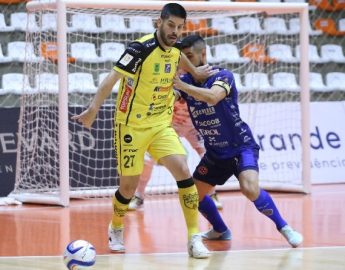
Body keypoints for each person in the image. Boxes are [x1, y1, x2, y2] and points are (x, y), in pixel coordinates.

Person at [72, 3, 214, 258]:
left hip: (161, 124)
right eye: (171, 25)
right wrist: (93, 109)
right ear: (160, 22)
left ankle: (194, 237)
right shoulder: (140, 49)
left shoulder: (175, 50)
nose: (175, 32)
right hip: (131, 126)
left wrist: (193, 71)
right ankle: (116, 226)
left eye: (180, 28)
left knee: (183, 170)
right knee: (128, 188)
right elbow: (110, 79)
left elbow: (179, 56)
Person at [173, 34, 303, 247]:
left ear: (202, 54)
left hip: (240, 146)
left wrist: (183, 87)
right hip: (215, 152)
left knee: (249, 188)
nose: (186, 63)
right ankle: (220, 230)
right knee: (191, 196)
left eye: (189, 56)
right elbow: (174, 94)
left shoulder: (223, 76)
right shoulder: (185, 81)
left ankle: (284, 227)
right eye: (182, 59)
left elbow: (213, 97)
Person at [128, 98, 223, 211]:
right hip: (170, 125)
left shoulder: (197, 82)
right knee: (147, 159)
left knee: (208, 157)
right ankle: (139, 196)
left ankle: (211, 195)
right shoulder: (167, 82)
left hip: (194, 126)